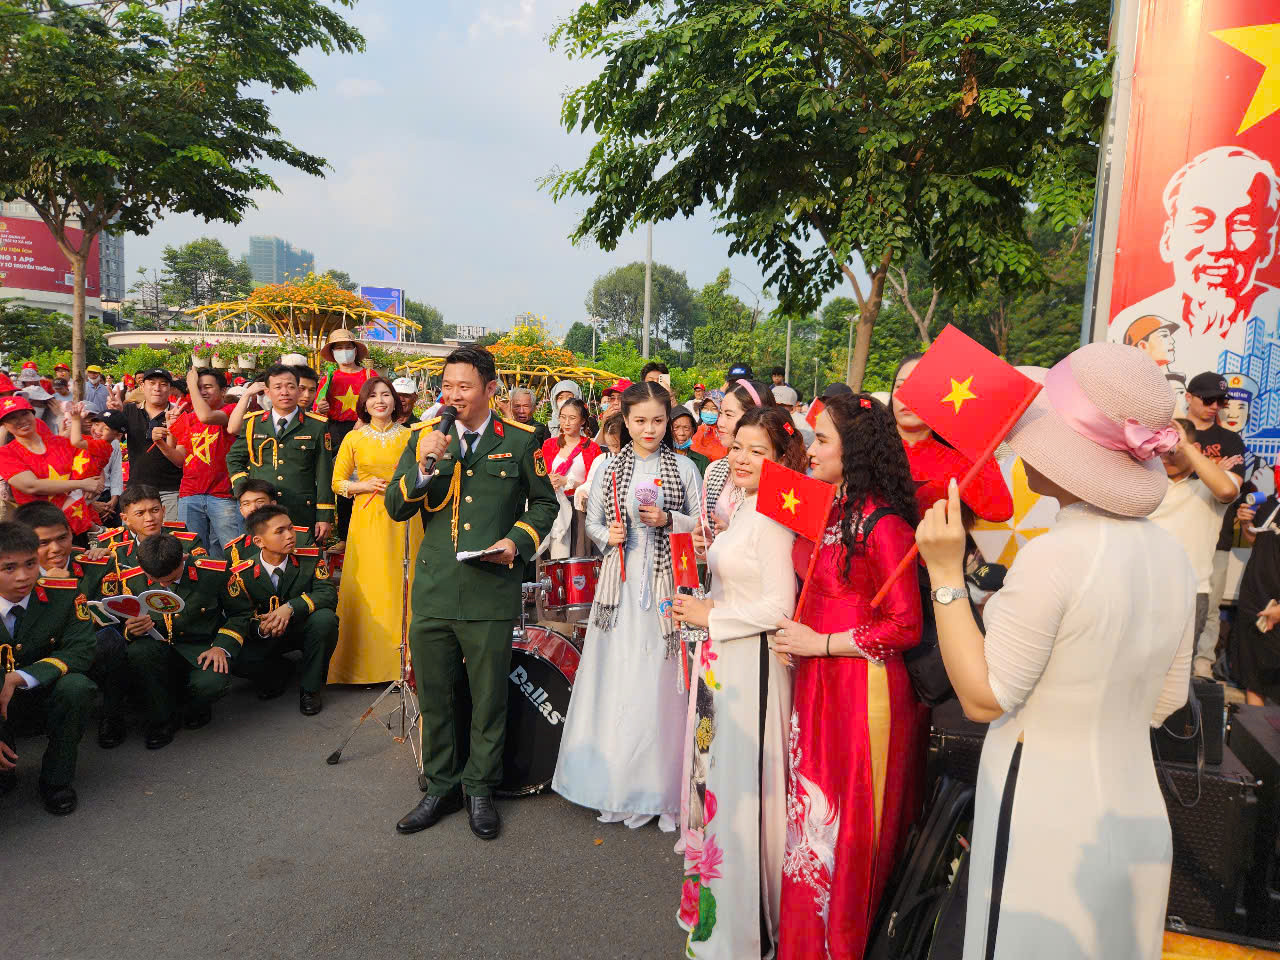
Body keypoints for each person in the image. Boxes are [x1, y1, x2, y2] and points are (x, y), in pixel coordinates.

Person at [914, 342, 1194, 960]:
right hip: (1135, 811)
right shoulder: (1172, 556)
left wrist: (944, 575)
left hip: (1043, 815)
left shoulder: (1055, 555)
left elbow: (985, 698)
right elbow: (1167, 700)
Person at [767, 392, 924, 959]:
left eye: (823, 440)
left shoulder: (883, 525)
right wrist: (797, 632)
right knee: (811, 820)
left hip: (864, 694)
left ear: (853, 449)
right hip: (817, 685)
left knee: (850, 825)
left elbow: (903, 626)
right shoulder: (832, 510)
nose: (810, 450)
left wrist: (822, 642)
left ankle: (841, 946)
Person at [386, 345, 557, 841]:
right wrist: (423, 468)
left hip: (490, 589)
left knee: (487, 698)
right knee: (436, 696)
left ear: (490, 388)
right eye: (448, 386)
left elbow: (545, 505)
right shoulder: (424, 437)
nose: (454, 395)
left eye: (464, 386)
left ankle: (480, 788)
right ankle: (441, 787)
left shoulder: (523, 440)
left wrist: (517, 540)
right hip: (436, 589)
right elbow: (398, 506)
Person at [671, 406, 805, 959]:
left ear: (781, 459)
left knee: (739, 793)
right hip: (724, 660)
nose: (743, 459)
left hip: (750, 667)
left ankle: (746, 933)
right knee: (715, 784)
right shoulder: (746, 505)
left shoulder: (774, 516)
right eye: (738, 447)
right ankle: (714, 919)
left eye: (759, 451)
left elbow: (780, 605)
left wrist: (711, 617)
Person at [552, 380, 703, 831]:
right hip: (619, 588)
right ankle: (616, 782)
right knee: (617, 679)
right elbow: (594, 522)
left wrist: (670, 520)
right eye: (640, 421)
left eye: (658, 420)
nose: (650, 429)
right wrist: (607, 536)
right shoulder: (607, 468)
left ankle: (662, 786)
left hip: (666, 588)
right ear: (625, 420)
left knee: (662, 681)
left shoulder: (686, 469)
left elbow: (702, 526)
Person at [329, 377, 423, 685]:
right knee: (370, 586)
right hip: (368, 518)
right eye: (373, 396)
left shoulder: (413, 436)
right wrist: (363, 485)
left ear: (397, 401)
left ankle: (407, 665)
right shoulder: (354, 439)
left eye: (386, 395)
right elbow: (337, 482)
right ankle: (366, 668)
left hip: (406, 518)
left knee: (404, 585)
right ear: (364, 403)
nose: (380, 400)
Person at [0, 521, 97, 814]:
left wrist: (22, 676)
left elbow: (83, 648)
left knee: (77, 687)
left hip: (41, 693)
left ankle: (56, 780)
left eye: (30, 564)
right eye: (9, 568)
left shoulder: (63, 593)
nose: (24, 576)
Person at [121, 533, 253, 748]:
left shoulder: (213, 572)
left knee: (211, 682)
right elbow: (120, 622)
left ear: (183, 558)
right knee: (138, 653)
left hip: (201, 648)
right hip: (158, 646)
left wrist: (221, 647)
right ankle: (161, 720)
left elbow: (241, 614)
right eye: (157, 581)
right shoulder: (131, 580)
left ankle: (195, 706)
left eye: (171, 579)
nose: (164, 584)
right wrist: (132, 630)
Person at [14, 501, 127, 749]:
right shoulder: (12, 575)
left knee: (111, 640)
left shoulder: (95, 565)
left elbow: (105, 618)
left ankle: (112, 716)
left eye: (62, 538)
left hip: (80, 652)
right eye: (43, 543)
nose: (56, 549)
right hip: (29, 659)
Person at [233, 504, 338, 714]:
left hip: (301, 628)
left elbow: (328, 593)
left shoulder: (310, 558)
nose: (290, 535)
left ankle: (310, 689)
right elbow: (239, 615)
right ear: (259, 541)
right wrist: (261, 629)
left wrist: (289, 608)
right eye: (279, 531)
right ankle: (279, 670)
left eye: (290, 528)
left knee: (325, 620)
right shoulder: (241, 573)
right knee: (234, 656)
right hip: (267, 635)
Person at [1149, 418, 1241, 647]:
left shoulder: (1208, 488)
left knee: (1177, 678)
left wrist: (1186, 447)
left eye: (1172, 450)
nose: (1165, 456)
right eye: (1160, 450)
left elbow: (1227, 490)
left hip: (1189, 593)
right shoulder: (1146, 483)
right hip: (1142, 588)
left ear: (1195, 449)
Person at [892, 354, 1014, 524]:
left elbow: (999, 511)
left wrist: (975, 437)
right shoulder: (862, 445)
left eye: (920, 387)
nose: (907, 396)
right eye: (900, 386)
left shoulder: (956, 460)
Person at [227, 364, 335, 547]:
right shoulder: (253, 423)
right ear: (268, 392)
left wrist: (324, 516)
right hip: (261, 510)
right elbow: (234, 459)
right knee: (261, 562)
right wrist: (245, 492)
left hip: (300, 509)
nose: (285, 392)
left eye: (291, 386)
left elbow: (324, 473)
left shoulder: (316, 426)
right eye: (278, 387)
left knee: (300, 564)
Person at [1183, 371, 1247, 677]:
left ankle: (1202, 664)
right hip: (1172, 532)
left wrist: (1199, 470)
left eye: (1220, 401)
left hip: (1215, 538)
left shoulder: (1231, 440)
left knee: (1207, 605)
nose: (1214, 406)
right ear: (1188, 397)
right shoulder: (1174, 431)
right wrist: (1212, 470)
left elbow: (1228, 488)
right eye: (1208, 399)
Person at [0, 396, 110, 540]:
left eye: (24, 414)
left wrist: (97, 479)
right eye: (12, 418)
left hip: (78, 524)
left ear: (33, 414)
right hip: (40, 530)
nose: (21, 420)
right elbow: (31, 486)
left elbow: (90, 459)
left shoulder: (59, 442)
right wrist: (82, 483)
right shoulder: (6, 454)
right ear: (4, 425)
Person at [169, 367, 241, 558]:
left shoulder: (232, 409)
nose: (201, 391)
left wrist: (191, 385)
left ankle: (235, 588)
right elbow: (178, 459)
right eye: (198, 387)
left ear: (224, 390)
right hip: (190, 493)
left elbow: (206, 417)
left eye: (207, 387)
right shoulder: (189, 418)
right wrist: (163, 438)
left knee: (232, 553)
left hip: (223, 495)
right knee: (192, 554)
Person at [315, 329, 376, 545]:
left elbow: (381, 402)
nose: (344, 351)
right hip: (336, 432)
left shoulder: (369, 376)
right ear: (332, 352)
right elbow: (317, 408)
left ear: (355, 350)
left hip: (364, 430)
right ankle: (343, 536)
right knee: (342, 483)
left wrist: (364, 421)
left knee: (366, 480)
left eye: (347, 347)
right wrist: (321, 407)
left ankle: (367, 534)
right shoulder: (328, 378)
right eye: (338, 348)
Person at [699, 379, 775, 541]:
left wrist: (732, 537)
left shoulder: (779, 478)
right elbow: (707, 529)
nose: (720, 422)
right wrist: (702, 545)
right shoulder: (714, 470)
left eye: (729, 415)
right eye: (721, 413)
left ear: (756, 417)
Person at [1233, 469, 1280, 706]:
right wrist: (1247, 523)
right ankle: (1254, 739)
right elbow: (1257, 540)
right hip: (1254, 600)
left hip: (1276, 608)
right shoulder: (1272, 502)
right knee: (1254, 679)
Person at [541, 396, 601, 559]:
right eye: (563, 417)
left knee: (579, 555)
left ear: (582, 421)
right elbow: (539, 474)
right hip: (554, 508)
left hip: (580, 509)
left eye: (572, 418)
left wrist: (567, 482)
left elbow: (596, 483)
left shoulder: (592, 448)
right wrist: (549, 481)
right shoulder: (549, 445)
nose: (566, 422)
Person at [119, 368, 185, 518]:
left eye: (163, 384)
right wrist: (113, 415)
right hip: (136, 489)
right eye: (152, 383)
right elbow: (112, 439)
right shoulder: (129, 410)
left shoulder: (180, 414)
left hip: (170, 490)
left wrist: (168, 433)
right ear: (142, 386)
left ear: (170, 389)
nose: (157, 388)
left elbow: (179, 459)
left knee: (169, 536)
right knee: (135, 538)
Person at [224, 479, 313, 563]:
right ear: (241, 510)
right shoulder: (236, 549)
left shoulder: (302, 538)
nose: (253, 508)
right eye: (246, 504)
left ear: (273, 504)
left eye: (259, 502)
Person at [88, 410, 126, 526]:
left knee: (114, 537)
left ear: (117, 435)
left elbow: (116, 473)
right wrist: (91, 504)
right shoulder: (84, 443)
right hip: (87, 499)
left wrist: (114, 500)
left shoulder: (114, 444)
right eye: (96, 424)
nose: (98, 430)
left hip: (108, 498)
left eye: (105, 428)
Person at [668, 407, 710, 476]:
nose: (681, 433)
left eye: (686, 428)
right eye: (676, 428)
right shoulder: (660, 458)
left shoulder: (702, 461)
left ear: (692, 431)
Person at [691, 396, 727, 463]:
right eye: (705, 408)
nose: (709, 412)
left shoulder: (726, 433)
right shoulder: (695, 431)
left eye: (714, 408)